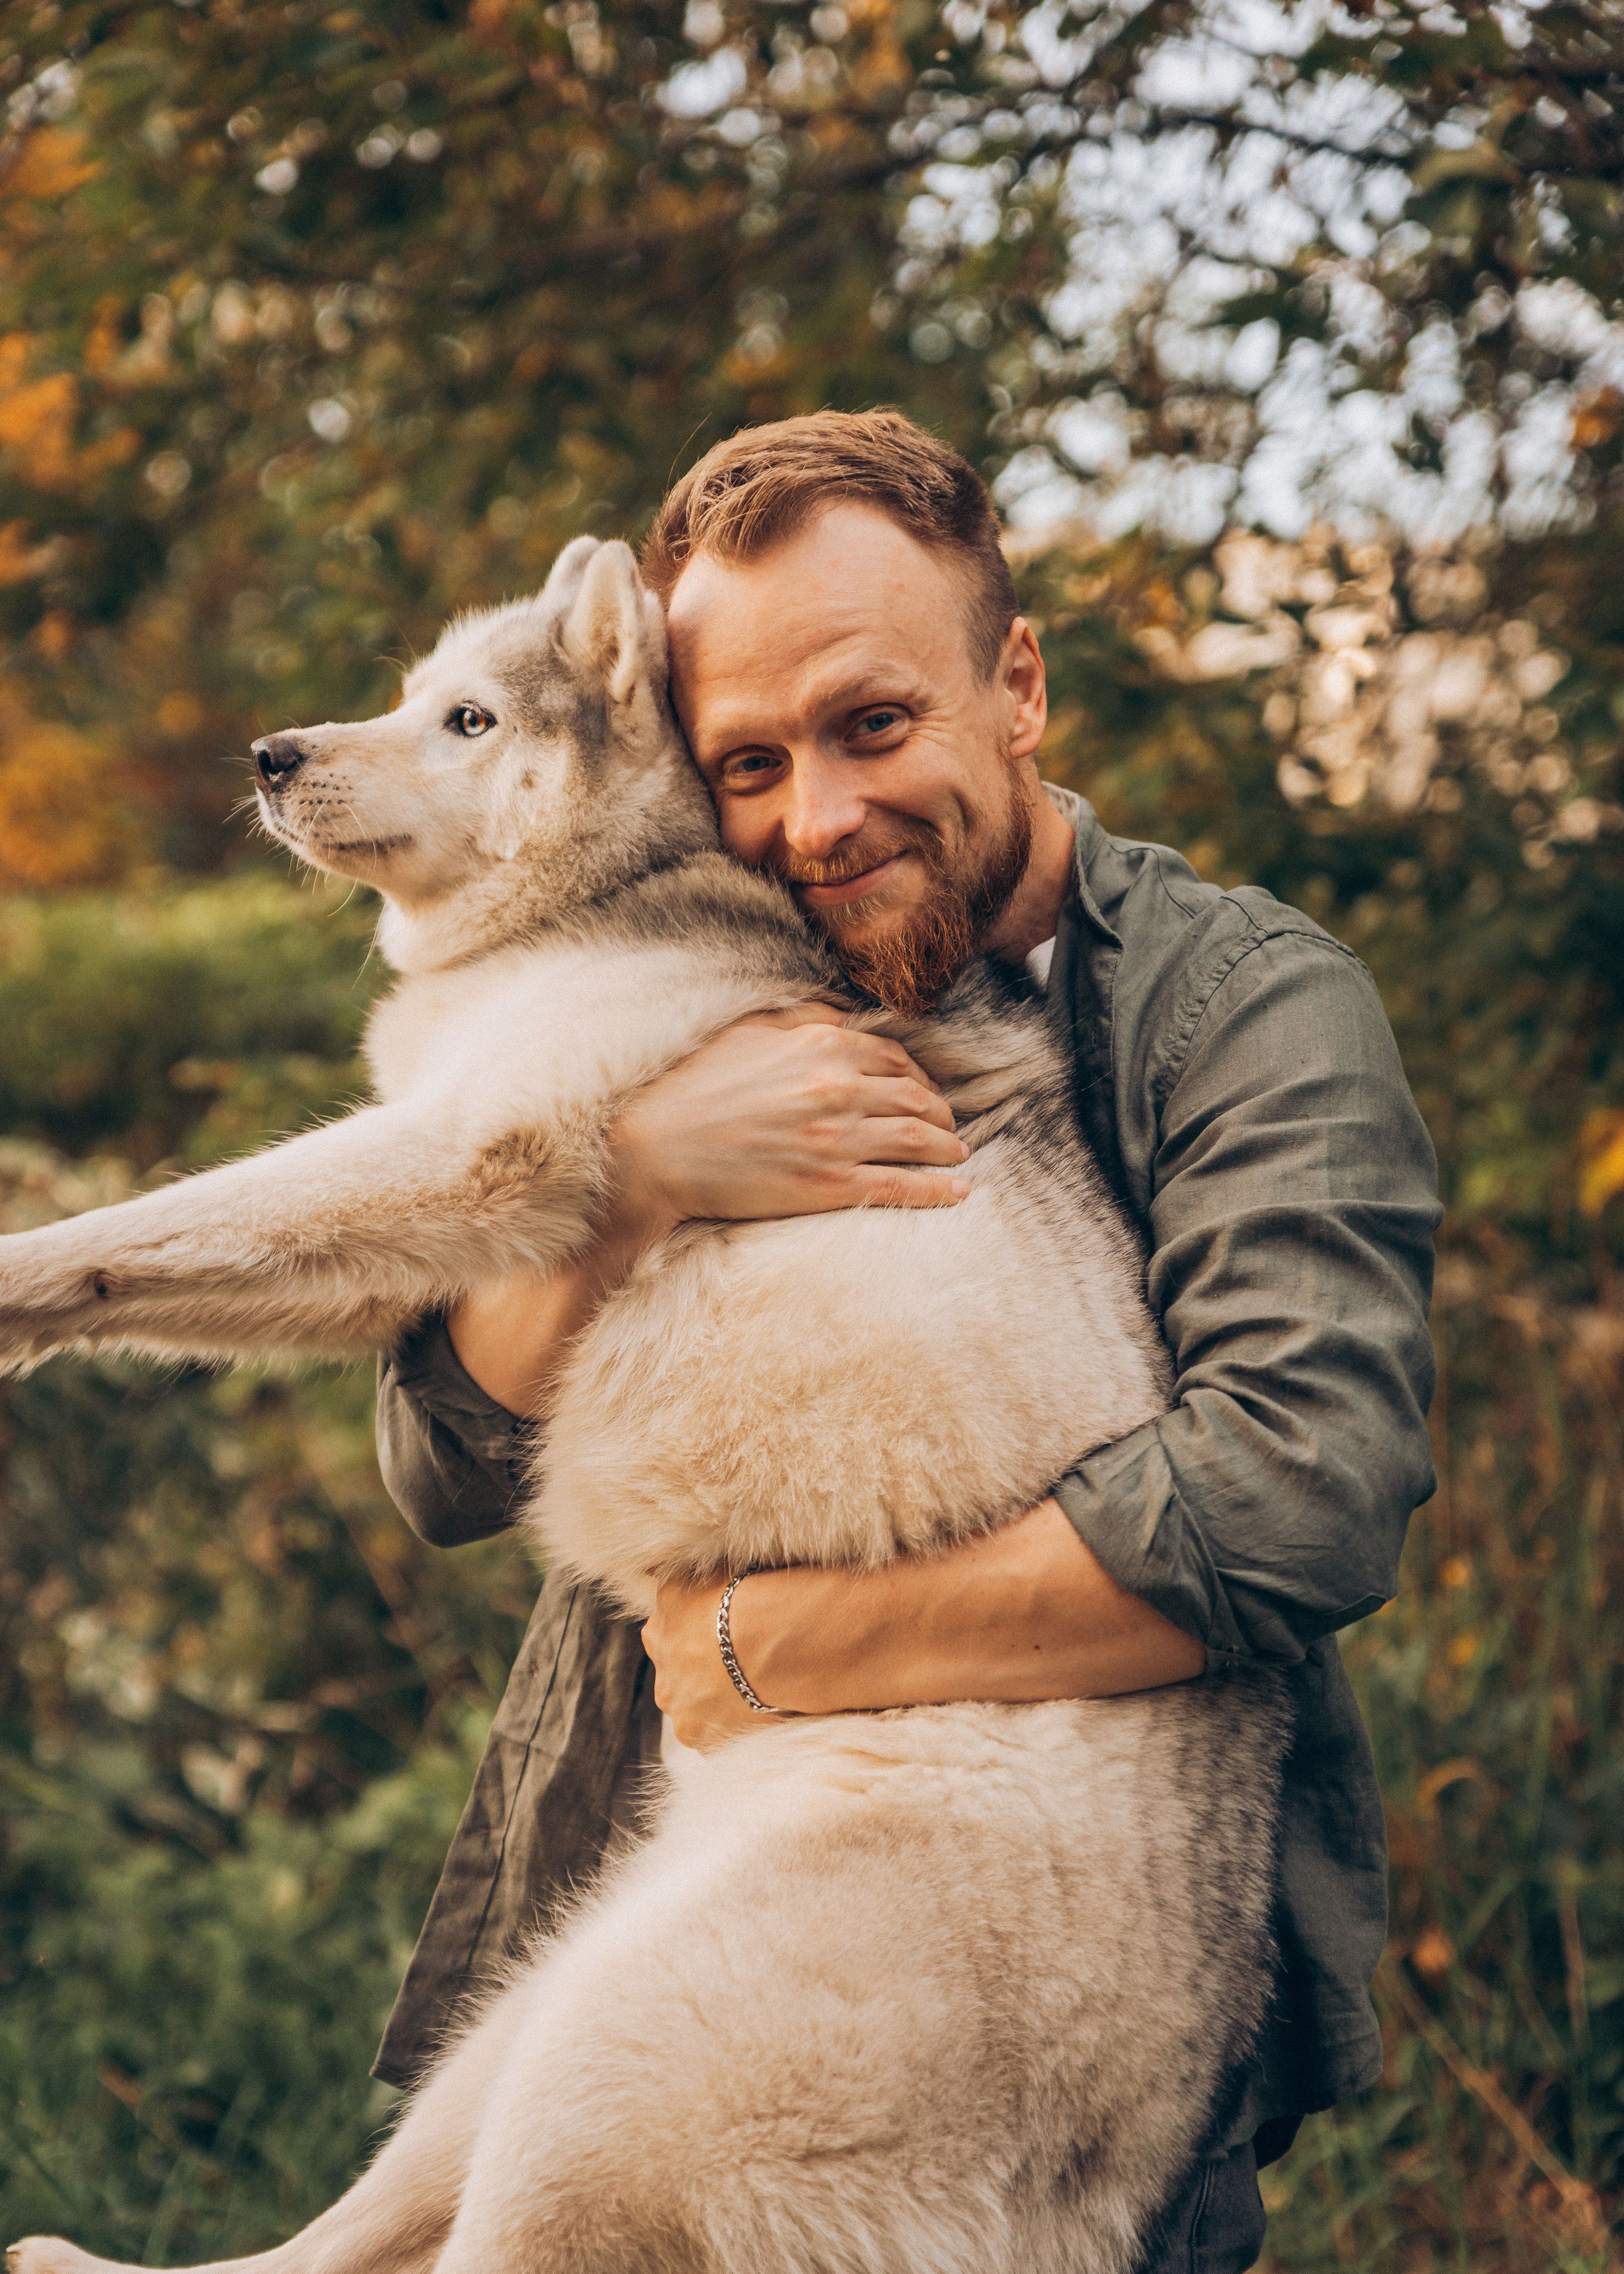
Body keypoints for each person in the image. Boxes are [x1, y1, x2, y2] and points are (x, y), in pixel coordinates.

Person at [369, 411, 1440, 2273]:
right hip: (655, 1901)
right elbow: (443, 1459)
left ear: (1013, 684)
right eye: (751, 763)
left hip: (1023, 1999)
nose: (817, 820)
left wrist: (769, 1648)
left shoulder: (1246, 1011)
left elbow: (1299, 1500)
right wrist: (629, 1187)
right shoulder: (697, 969)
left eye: (875, 726)